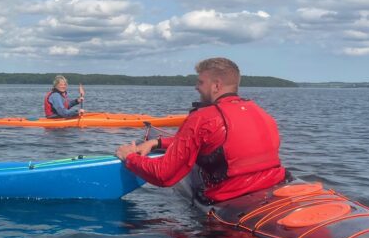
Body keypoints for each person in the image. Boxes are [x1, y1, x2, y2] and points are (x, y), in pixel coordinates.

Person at [116, 57, 285, 203]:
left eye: (201, 82)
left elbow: (164, 175)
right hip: (274, 186)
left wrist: (129, 157)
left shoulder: (202, 118)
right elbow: (220, 142)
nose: (196, 87)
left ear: (216, 86)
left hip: (230, 200)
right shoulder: (262, 113)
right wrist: (157, 142)